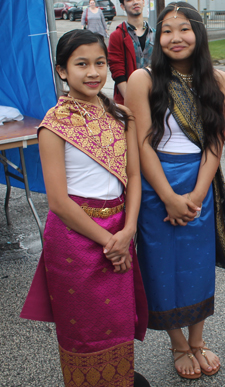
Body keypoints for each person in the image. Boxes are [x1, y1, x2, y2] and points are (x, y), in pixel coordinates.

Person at [20, 30, 150, 387]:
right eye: (81, 64)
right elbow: (59, 202)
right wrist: (112, 243)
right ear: (62, 71)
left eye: (100, 63)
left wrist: (128, 231)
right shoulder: (54, 125)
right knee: (84, 323)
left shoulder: (122, 116)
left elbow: (134, 177)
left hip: (120, 228)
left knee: (118, 317)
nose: (93, 72)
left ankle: (119, 377)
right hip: (75, 239)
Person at [125, 2, 225, 380]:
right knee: (162, 264)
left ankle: (198, 340)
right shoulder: (144, 80)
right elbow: (141, 143)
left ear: (199, 32)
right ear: (158, 36)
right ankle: (177, 343)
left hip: (200, 184)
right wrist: (169, 197)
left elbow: (215, 142)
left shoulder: (221, 81)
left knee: (197, 264)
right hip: (157, 183)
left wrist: (199, 192)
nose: (176, 38)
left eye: (184, 29)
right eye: (167, 30)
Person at [109, 0, 155, 104]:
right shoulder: (117, 36)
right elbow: (117, 72)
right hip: (129, 99)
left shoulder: (155, 34)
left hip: (156, 97)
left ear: (143, 2)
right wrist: (132, 101)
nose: (135, 2)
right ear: (122, 6)